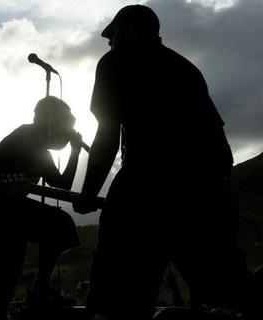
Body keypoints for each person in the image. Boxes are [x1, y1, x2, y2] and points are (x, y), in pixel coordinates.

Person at [73, 4, 261, 320]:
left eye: (114, 33)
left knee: (118, 290)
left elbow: (107, 134)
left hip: (148, 182)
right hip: (208, 188)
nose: (109, 42)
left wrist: (89, 193)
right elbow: (218, 139)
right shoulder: (185, 68)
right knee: (224, 284)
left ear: (131, 30)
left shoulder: (116, 62)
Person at [0, 95, 82, 320]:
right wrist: (74, 150)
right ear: (51, 123)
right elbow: (62, 185)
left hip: (3, 209)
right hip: (0, 209)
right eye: (67, 129)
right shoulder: (30, 138)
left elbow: (61, 184)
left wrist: (74, 151)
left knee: (8, 274)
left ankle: (19, 296)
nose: (67, 136)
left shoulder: (35, 142)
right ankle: (37, 288)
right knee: (59, 225)